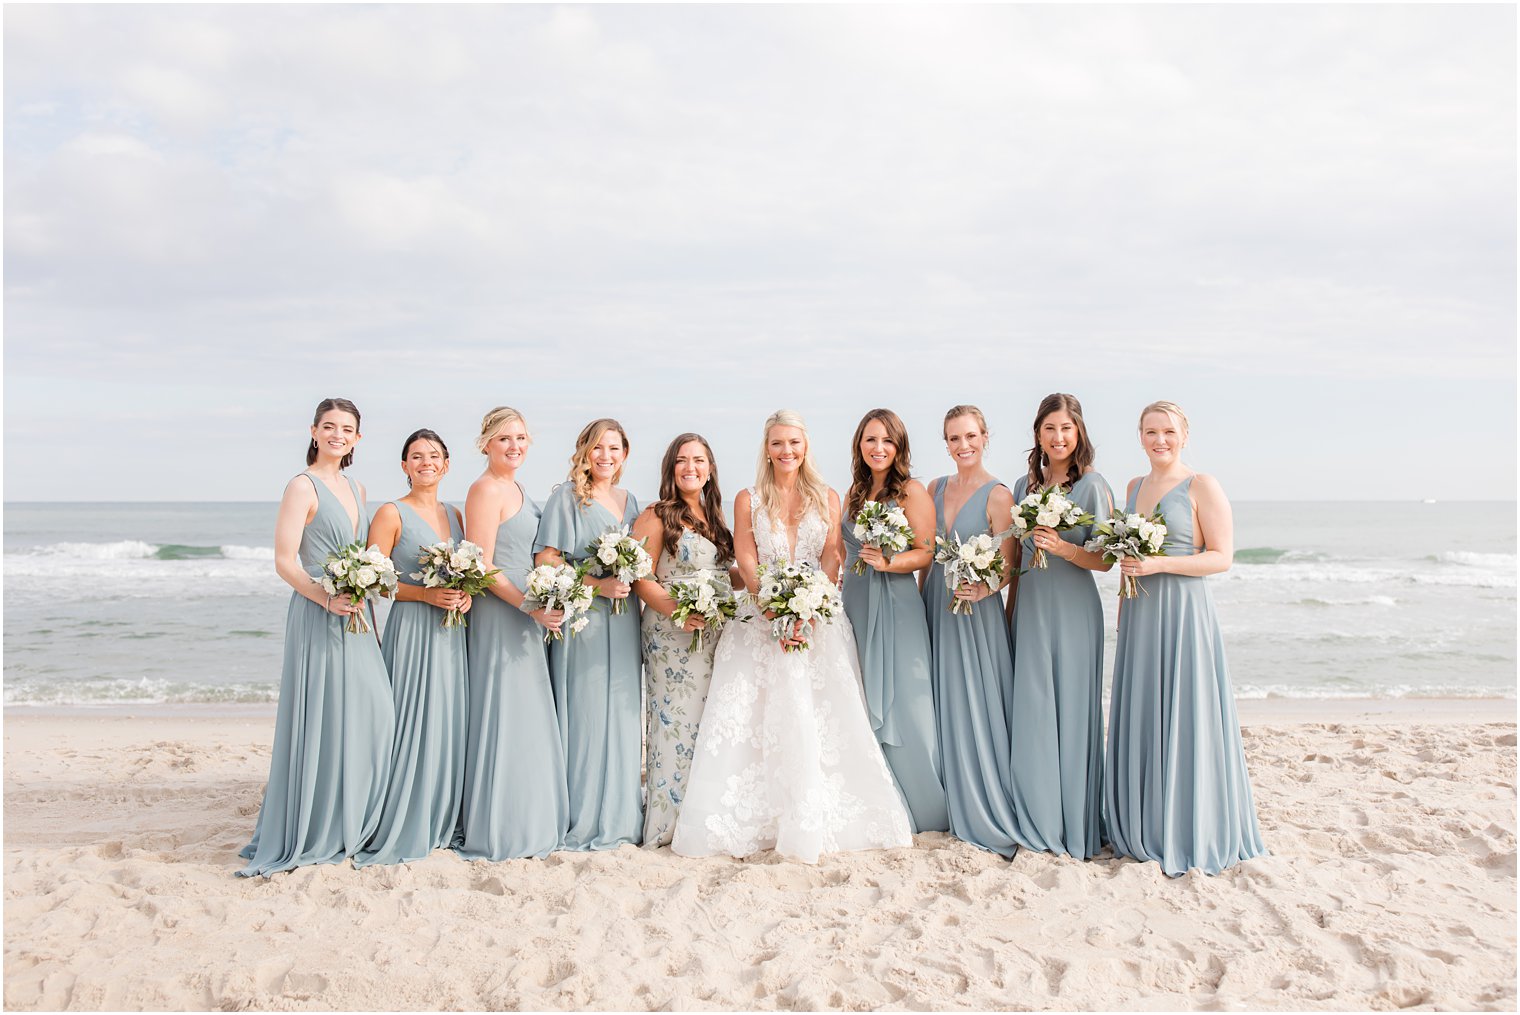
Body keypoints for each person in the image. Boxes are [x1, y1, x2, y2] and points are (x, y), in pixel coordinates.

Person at [672, 410, 912, 864]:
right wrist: (773, 607)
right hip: (760, 620)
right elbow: (745, 555)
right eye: (778, 443)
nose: (787, 452)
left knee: (818, 716)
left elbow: (831, 557)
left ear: (806, 448)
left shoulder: (827, 496)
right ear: (767, 448)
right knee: (754, 720)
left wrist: (807, 608)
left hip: (817, 619)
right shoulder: (748, 498)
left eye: (795, 444)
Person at [1104, 400, 1266, 876]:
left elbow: (1221, 557)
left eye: (1168, 431)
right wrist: (1123, 607)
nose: (1160, 440)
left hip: (1183, 613)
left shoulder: (1202, 486)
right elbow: (1124, 555)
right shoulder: (1133, 488)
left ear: (1184, 434)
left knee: (1185, 711)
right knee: (1144, 710)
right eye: (1151, 431)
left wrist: (1159, 564)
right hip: (1140, 613)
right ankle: (1144, 821)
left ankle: (1189, 825)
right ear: (1140, 436)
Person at [238, 398, 394, 877]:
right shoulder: (300, 486)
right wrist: (326, 600)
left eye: (347, 428)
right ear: (314, 431)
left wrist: (366, 586)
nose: (337, 435)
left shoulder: (357, 487)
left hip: (358, 614)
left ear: (358, 438)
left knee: (375, 713)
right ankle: (319, 824)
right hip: (318, 612)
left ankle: (356, 816)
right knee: (325, 716)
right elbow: (285, 561)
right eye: (329, 426)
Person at [456, 406, 570, 860]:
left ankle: (531, 815)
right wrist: (529, 605)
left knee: (528, 714)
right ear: (485, 443)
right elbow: (481, 564)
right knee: (505, 712)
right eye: (504, 438)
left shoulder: (517, 487)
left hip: (527, 614)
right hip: (501, 615)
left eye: (521, 438)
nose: (514, 446)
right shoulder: (484, 489)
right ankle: (502, 825)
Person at [1005, 394, 1114, 859]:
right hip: (1030, 605)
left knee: (1071, 712)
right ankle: (1037, 817)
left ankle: (1075, 825)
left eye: (1066, 428)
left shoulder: (1092, 486)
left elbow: (1107, 561)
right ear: (1038, 434)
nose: (1058, 437)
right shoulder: (1021, 486)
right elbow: (1012, 559)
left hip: (1073, 610)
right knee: (1032, 710)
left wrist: (1065, 548)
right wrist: (1008, 611)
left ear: (1079, 433)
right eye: (1049, 428)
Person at [354, 429, 470, 867]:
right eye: (416, 456)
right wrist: (425, 595)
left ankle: (442, 814)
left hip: (453, 631)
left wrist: (466, 594)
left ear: (446, 465)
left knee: (448, 720)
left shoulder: (456, 516)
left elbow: (472, 571)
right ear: (404, 465)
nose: (426, 463)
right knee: (410, 721)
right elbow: (374, 580)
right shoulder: (390, 513)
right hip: (413, 629)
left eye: (434, 456)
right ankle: (404, 816)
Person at [533, 418, 643, 850]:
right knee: (586, 716)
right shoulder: (567, 497)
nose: (605, 457)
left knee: (621, 714)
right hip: (585, 620)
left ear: (625, 454)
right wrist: (598, 586)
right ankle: (582, 816)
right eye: (597, 448)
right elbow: (546, 560)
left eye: (614, 449)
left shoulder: (630, 501)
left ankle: (620, 815)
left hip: (625, 619)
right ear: (584, 451)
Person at [840, 408, 949, 833]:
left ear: (899, 446)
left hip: (898, 603)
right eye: (870, 439)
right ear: (859, 445)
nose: (878, 448)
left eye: (887, 440)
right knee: (863, 699)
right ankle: (880, 803)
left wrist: (889, 562)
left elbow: (927, 552)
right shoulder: (854, 493)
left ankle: (927, 809)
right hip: (857, 601)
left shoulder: (912, 492)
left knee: (910, 704)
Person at [921, 404, 1021, 859]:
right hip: (937, 606)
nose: (963, 446)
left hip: (976, 613)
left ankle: (985, 804)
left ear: (985, 437)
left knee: (977, 704)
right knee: (940, 702)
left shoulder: (999, 494)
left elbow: (1011, 563)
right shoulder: (934, 488)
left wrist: (985, 587)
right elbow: (926, 556)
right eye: (954, 438)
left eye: (970, 436)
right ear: (945, 443)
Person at [630, 433, 739, 847]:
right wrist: (678, 610)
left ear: (710, 469)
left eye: (698, 460)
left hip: (714, 634)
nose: (690, 467)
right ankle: (667, 825)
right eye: (681, 460)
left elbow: (726, 575)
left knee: (709, 725)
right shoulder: (657, 515)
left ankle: (702, 819)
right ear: (670, 468)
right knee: (675, 724)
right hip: (671, 635)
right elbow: (641, 578)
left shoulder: (717, 517)